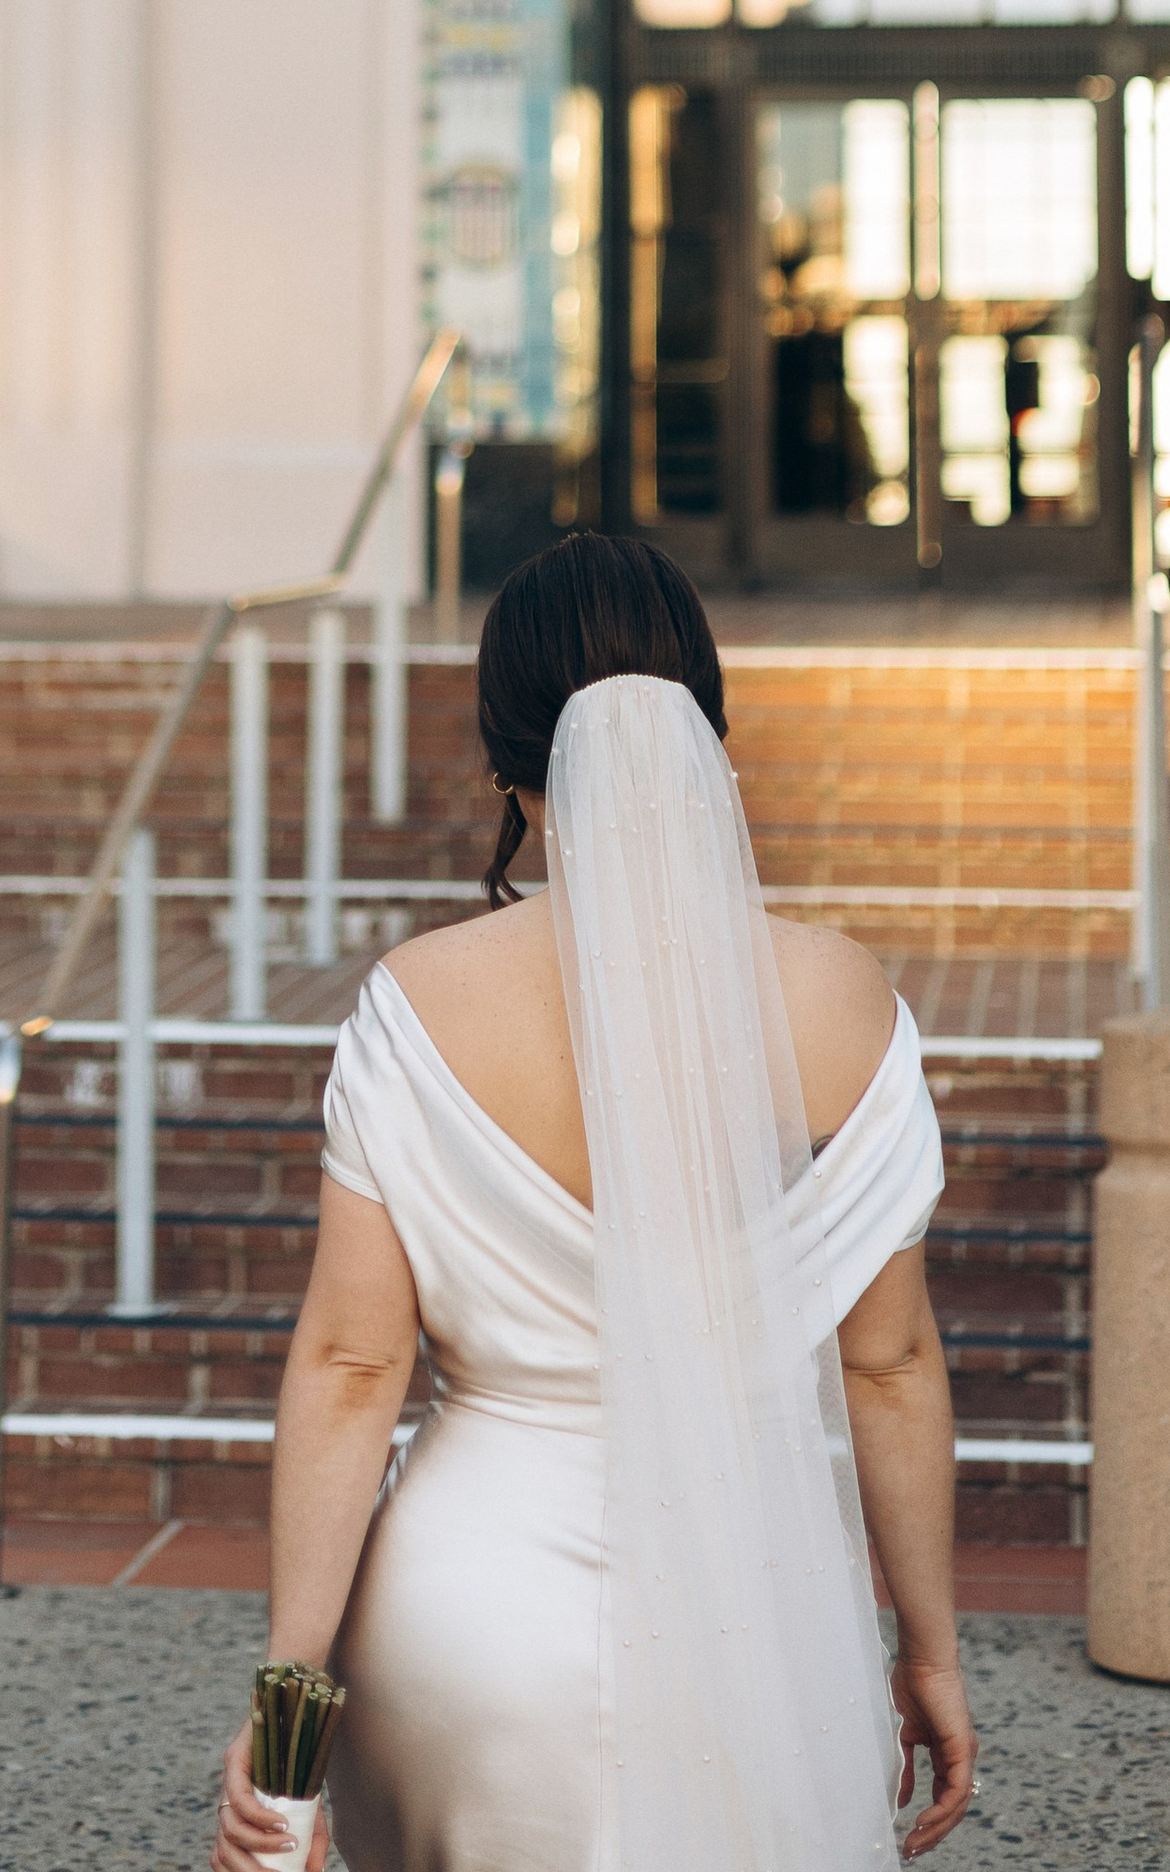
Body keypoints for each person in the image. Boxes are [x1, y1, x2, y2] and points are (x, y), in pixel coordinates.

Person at [212, 531, 977, 1870]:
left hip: (472, 1623)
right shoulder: (847, 1001)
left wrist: (287, 1728)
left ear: (504, 762)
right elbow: (892, 1364)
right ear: (710, 736)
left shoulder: (418, 1001)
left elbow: (350, 1365)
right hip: (760, 1617)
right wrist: (930, 1650)